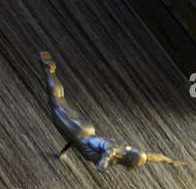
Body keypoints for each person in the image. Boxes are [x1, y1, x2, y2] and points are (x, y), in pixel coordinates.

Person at [42, 52, 184, 171]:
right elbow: (108, 154)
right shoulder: (116, 152)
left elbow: (150, 156)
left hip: (86, 130)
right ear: (129, 161)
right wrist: (102, 166)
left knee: (60, 101)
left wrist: (169, 161)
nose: (133, 169)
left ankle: (51, 71)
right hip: (77, 133)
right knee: (56, 102)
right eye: (134, 166)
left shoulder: (127, 149)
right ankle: (49, 70)